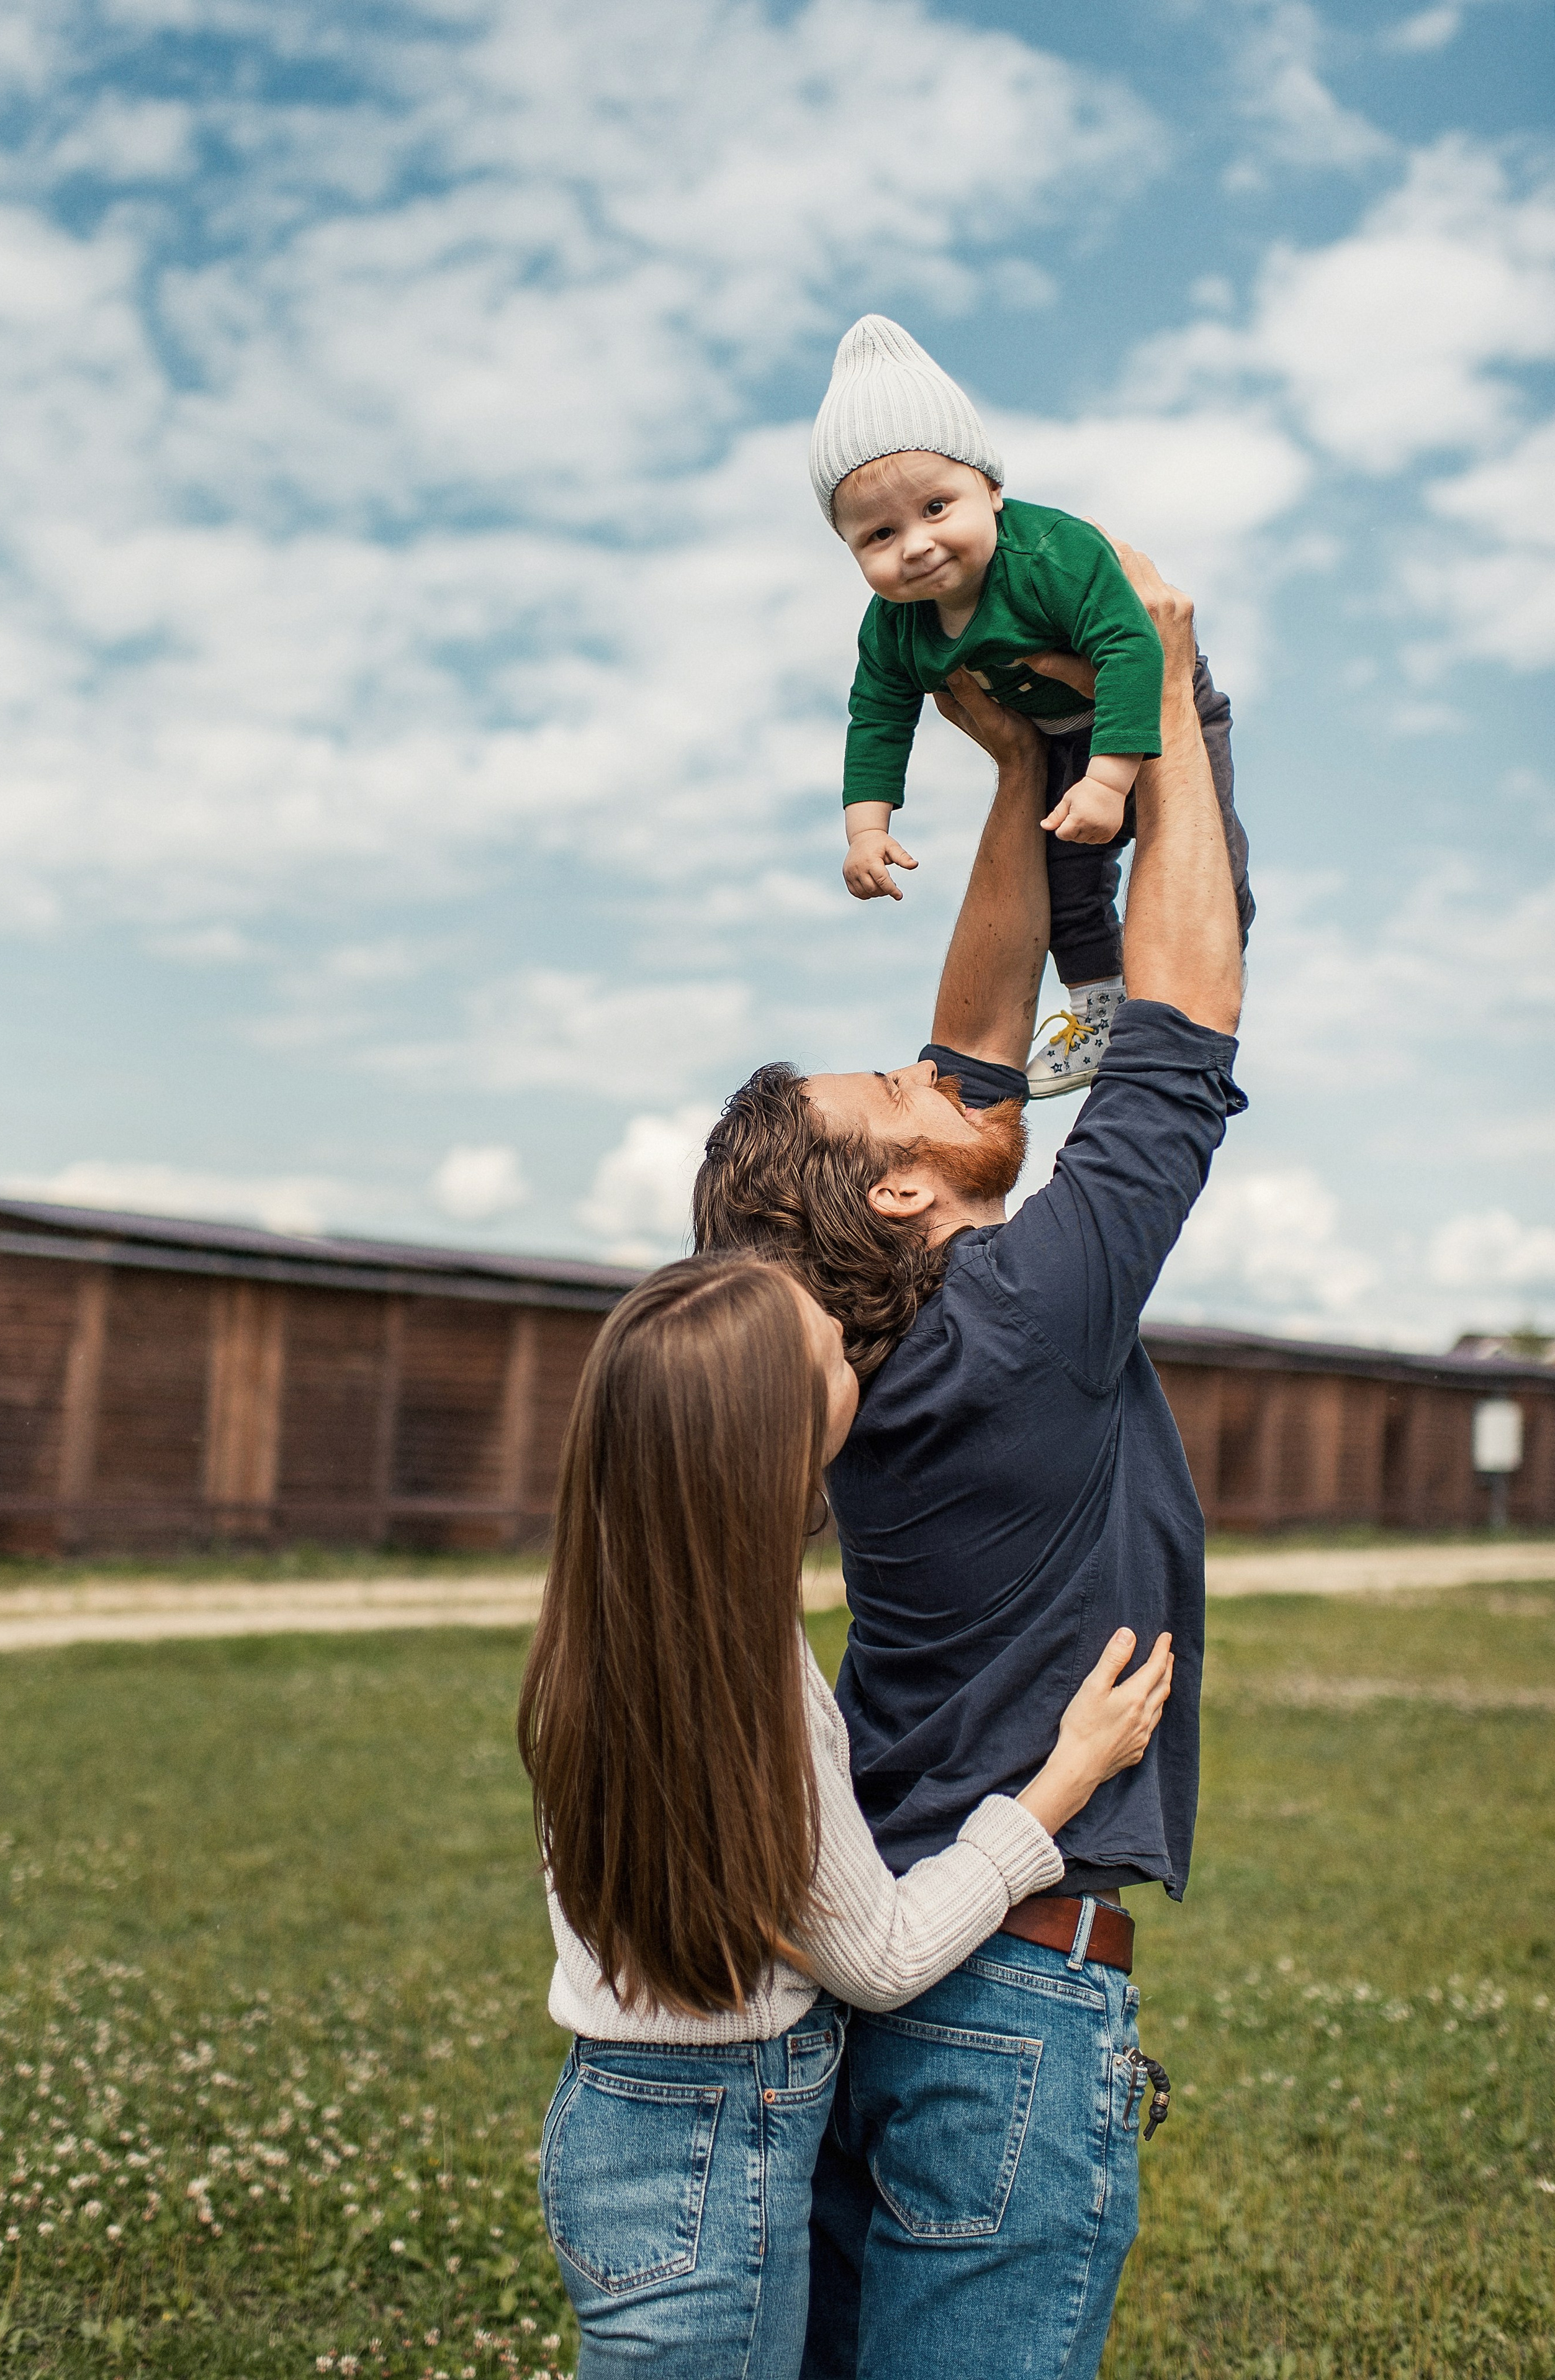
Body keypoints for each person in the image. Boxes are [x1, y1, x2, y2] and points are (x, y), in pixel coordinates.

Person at [691, 541, 1245, 2379]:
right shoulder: (1026, 1318)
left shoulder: (873, 1354)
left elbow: (982, 1040)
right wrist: (1159, 714)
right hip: (1005, 2006)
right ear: (905, 1195)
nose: (946, 1069)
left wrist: (1017, 781)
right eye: (901, 1090)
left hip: (890, 1979)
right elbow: (1172, 1048)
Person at [520, 1254, 1174, 2378]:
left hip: (611, 2110)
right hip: (715, 2139)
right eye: (832, 1355)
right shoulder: (749, 1680)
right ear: (773, 1441)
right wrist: (1060, 1784)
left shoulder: (601, 1622)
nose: (854, 1346)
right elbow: (881, 1952)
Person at [812, 312, 1253, 1096]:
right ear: (850, 549)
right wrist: (866, 830)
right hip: (1056, 740)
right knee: (1064, 880)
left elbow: (1131, 647)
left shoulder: (1051, 555)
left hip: (1152, 700)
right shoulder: (892, 628)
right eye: (878, 534)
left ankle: (1199, 986)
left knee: (1200, 846)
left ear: (990, 488)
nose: (914, 544)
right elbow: (878, 716)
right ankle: (1100, 1009)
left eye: (937, 508)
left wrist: (1112, 779)